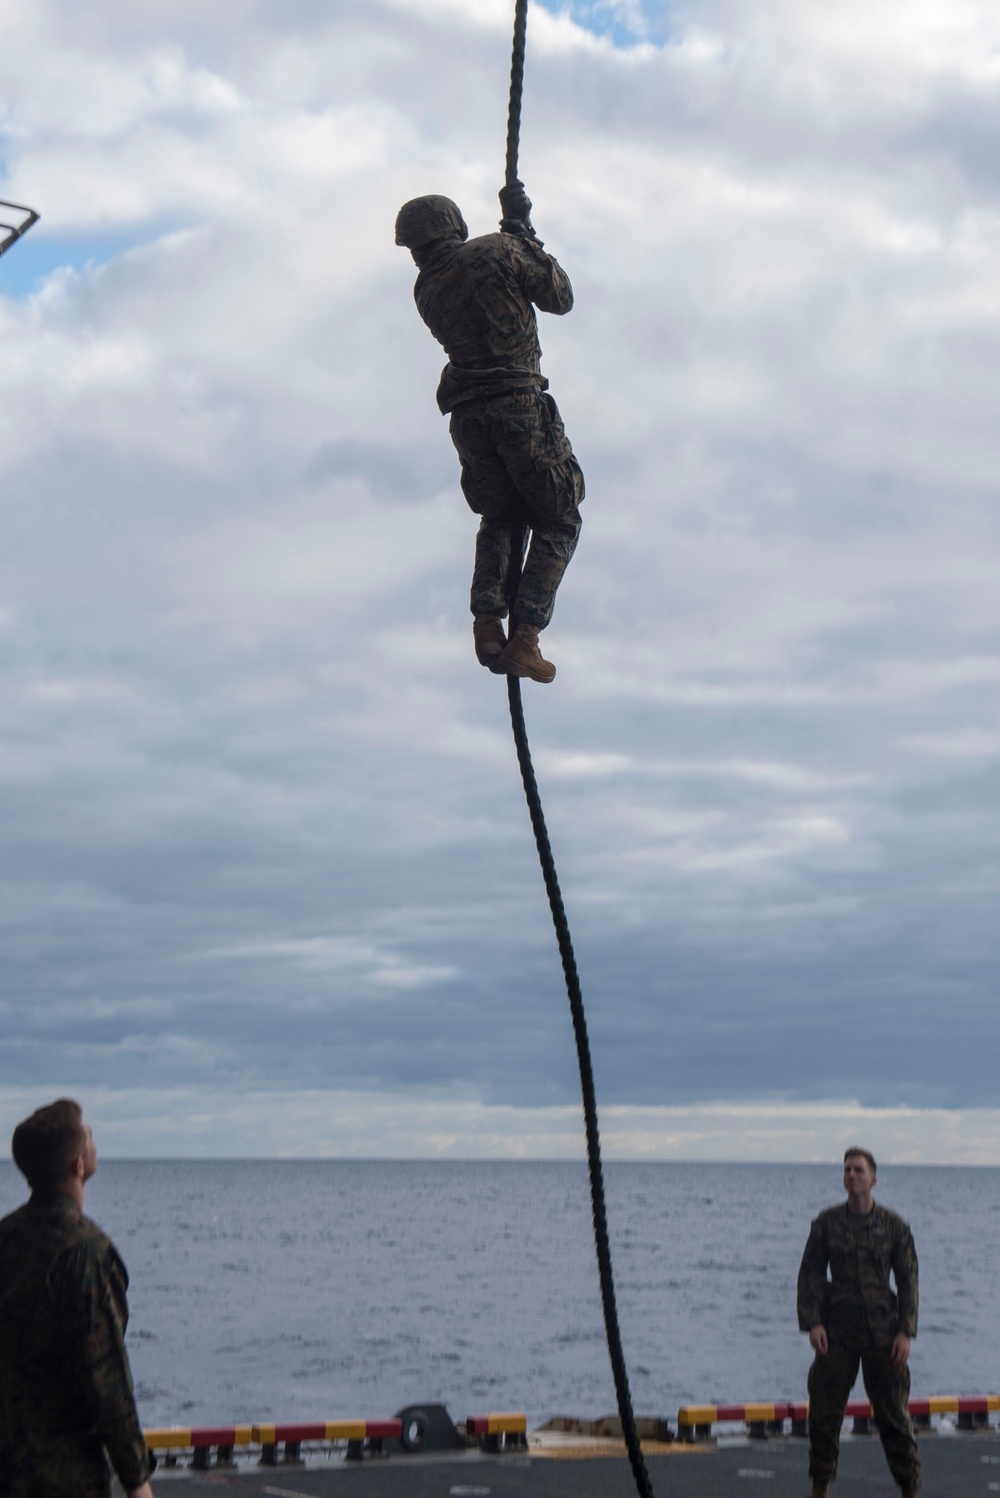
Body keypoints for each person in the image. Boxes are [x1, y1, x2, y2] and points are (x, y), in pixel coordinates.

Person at [395, 185, 585, 684]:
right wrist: (525, 235)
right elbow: (559, 297)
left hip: (469, 419)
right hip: (518, 406)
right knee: (559, 517)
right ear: (452, 226)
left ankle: (486, 621)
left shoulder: (426, 291)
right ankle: (526, 637)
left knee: (501, 514)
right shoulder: (498, 251)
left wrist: (516, 239)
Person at [0, 1099, 154, 1498]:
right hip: (64, 1480)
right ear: (78, 1166)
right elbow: (106, 1379)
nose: (94, 1141)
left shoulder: (5, 1240)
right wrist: (137, 1481)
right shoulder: (86, 1255)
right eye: (89, 1136)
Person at [797, 1147, 920, 1498]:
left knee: (895, 1417)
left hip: (883, 1334)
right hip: (837, 1334)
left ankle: (910, 1489)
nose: (852, 1175)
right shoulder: (826, 1224)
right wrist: (814, 1323)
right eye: (847, 1169)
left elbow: (909, 1280)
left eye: (859, 1170)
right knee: (823, 1414)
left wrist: (905, 1331)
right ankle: (820, 1488)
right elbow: (811, 1275)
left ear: (873, 1179)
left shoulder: (894, 1227)